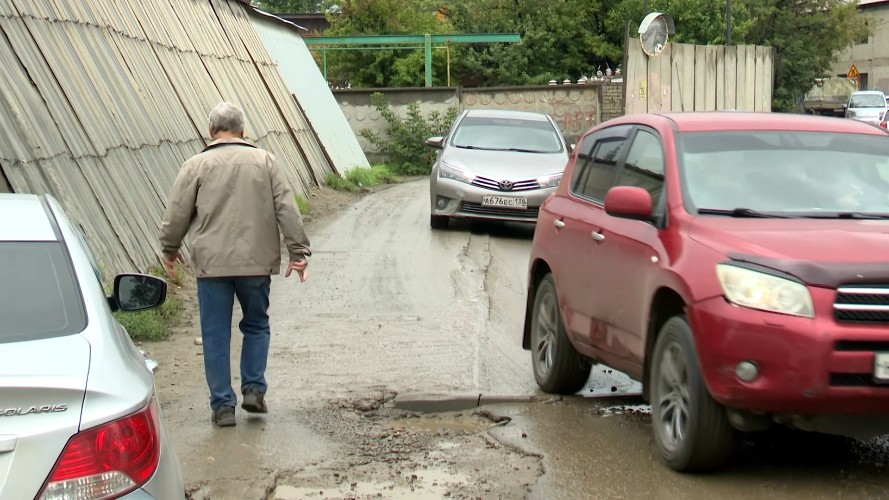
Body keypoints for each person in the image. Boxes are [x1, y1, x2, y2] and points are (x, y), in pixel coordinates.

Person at [158, 101, 311, 428]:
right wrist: (298, 252)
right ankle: (254, 390)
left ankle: (223, 406)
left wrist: (170, 250)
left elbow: (176, 214)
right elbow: (287, 209)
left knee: (214, 334)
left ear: (211, 131)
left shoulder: (195, 165)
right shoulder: (266, 162)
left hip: (212, 267)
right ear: (243, 132)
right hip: (256, 265)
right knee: (256, 324)